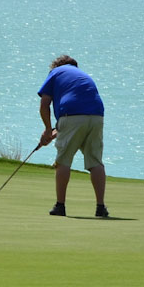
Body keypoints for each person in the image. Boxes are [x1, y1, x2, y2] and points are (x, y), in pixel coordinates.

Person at [37, 55, 108, 218]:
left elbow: (44, 104)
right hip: (97, 115)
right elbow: (78, 121)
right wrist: (52, 133)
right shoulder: (81, 75)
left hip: (72, 115)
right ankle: (101, 207)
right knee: (95, 161)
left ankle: (60, 206)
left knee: (63, 161)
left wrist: (47, 129)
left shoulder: (55, 72)